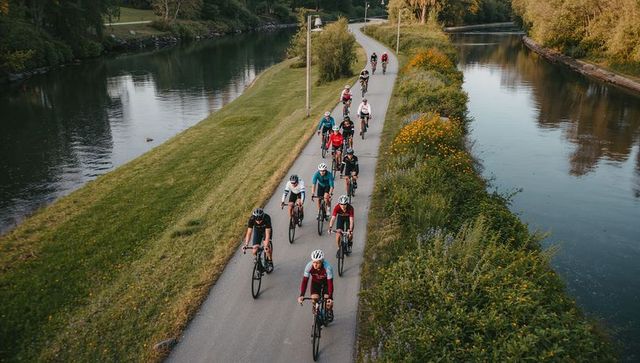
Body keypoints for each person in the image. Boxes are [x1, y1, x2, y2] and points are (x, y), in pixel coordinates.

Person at [297, 249, 334, 322]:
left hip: (326, 283)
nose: (315, 264)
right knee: (314, 298)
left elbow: (330, 283)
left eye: (317, 263)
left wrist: (330, 297)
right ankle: (315, 308)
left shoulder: (327, 268)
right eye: (314, 262)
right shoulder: (309, 266)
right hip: (316, 283)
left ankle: (329, 310)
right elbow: (305, 281)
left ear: (322, 262)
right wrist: (301, 295)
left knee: (327, 299)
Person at [243, 208, 273, 272]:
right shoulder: (252, 219)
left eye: (260, 220)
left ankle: (270, 261)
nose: (258, 222)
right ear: (254, 218)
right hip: (258, 231)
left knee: (267, 246)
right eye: (257, 220)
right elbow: (249, 233)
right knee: (254, 251)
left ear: (262, 217)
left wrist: (266, 246)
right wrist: (246, 244)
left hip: (266, 230)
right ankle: (259, 263)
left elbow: (267, 234)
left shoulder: (267, 218)